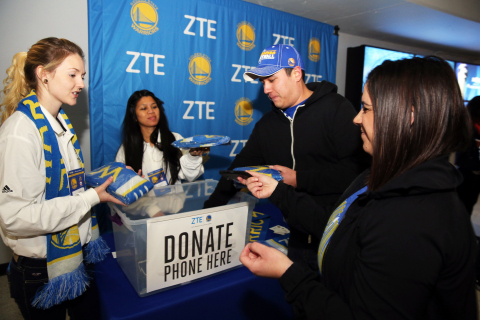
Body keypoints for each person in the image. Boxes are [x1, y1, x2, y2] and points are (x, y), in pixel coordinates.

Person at [239, 56, 477, 319]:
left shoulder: (412, 218)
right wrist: (278, 191)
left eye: (366, 108)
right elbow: (336, 227)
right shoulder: (379, 176)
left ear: (408, 116)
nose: (355, 119)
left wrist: (287, 272)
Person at [204, 44, 369, 272]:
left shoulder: (336, 109)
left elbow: (357, 174)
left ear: (297, 74)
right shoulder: (268, 125)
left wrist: (298, 179)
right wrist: (206, 214)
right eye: (262, 82)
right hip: (298, 236)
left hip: (339, 235)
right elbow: (238, 168)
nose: (265, 89)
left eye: (271, 79)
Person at [0, 37, 124, 319]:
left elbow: (65, 185)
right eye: (72, 75)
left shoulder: (61, 123)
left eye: (82, 75)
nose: (81, 83)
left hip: (74, 258)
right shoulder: (20, 132)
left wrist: (112, 180)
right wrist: (91, 198)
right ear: (44, 75)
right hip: (39, 271)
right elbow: (15, 217)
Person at [115, 90, 206, 216]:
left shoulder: (175, 139)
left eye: (154, 107)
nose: (151, 111)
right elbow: (122, 191)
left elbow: (190, 176)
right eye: (143, 108)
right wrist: (153, 211)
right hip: (145, 220)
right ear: (134, 116)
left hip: (177, 213)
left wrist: (193, 156)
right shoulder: (126, 150)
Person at [456, 96, 480, 214]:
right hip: (467, 172)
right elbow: (462, 150)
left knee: (469, 204)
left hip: (475, 174)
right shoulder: (466, 127)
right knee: (463, 205)